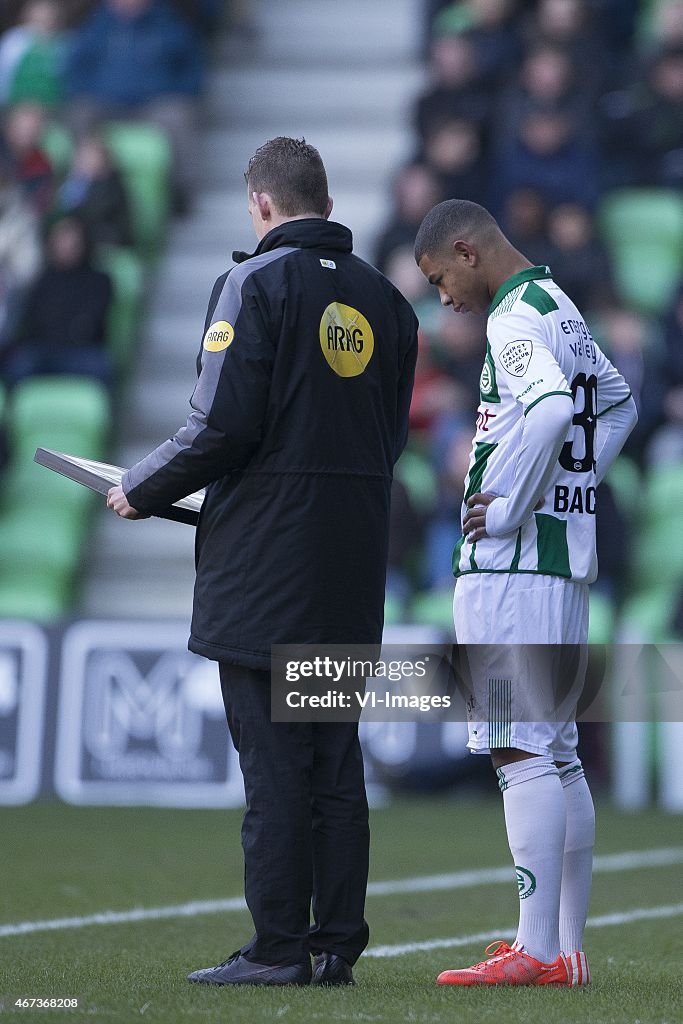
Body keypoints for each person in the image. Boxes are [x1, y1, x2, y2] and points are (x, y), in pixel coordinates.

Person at [106, 137, 419, 986]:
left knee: (276, 770)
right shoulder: (388, 302)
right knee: (332, 766)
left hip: (265, 571)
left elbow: (222, 425)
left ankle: (276, 948)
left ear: (261, 205)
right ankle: (333, 946)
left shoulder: (253, 283)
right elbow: (389, 438)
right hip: (348, 565)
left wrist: (140, 485)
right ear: (320, 198)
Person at [414, 198, 637, 986]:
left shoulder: (512, 320)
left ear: (466, 252)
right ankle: (561, 949)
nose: (442, 298)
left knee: (520, 749)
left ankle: (537, 949)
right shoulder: (560, 308)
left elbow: (545, 412)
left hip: (512, 569)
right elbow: (617, 403)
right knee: (560, 754)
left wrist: (508, 504)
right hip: (558, 564)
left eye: (439, 278)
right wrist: (573, 491)